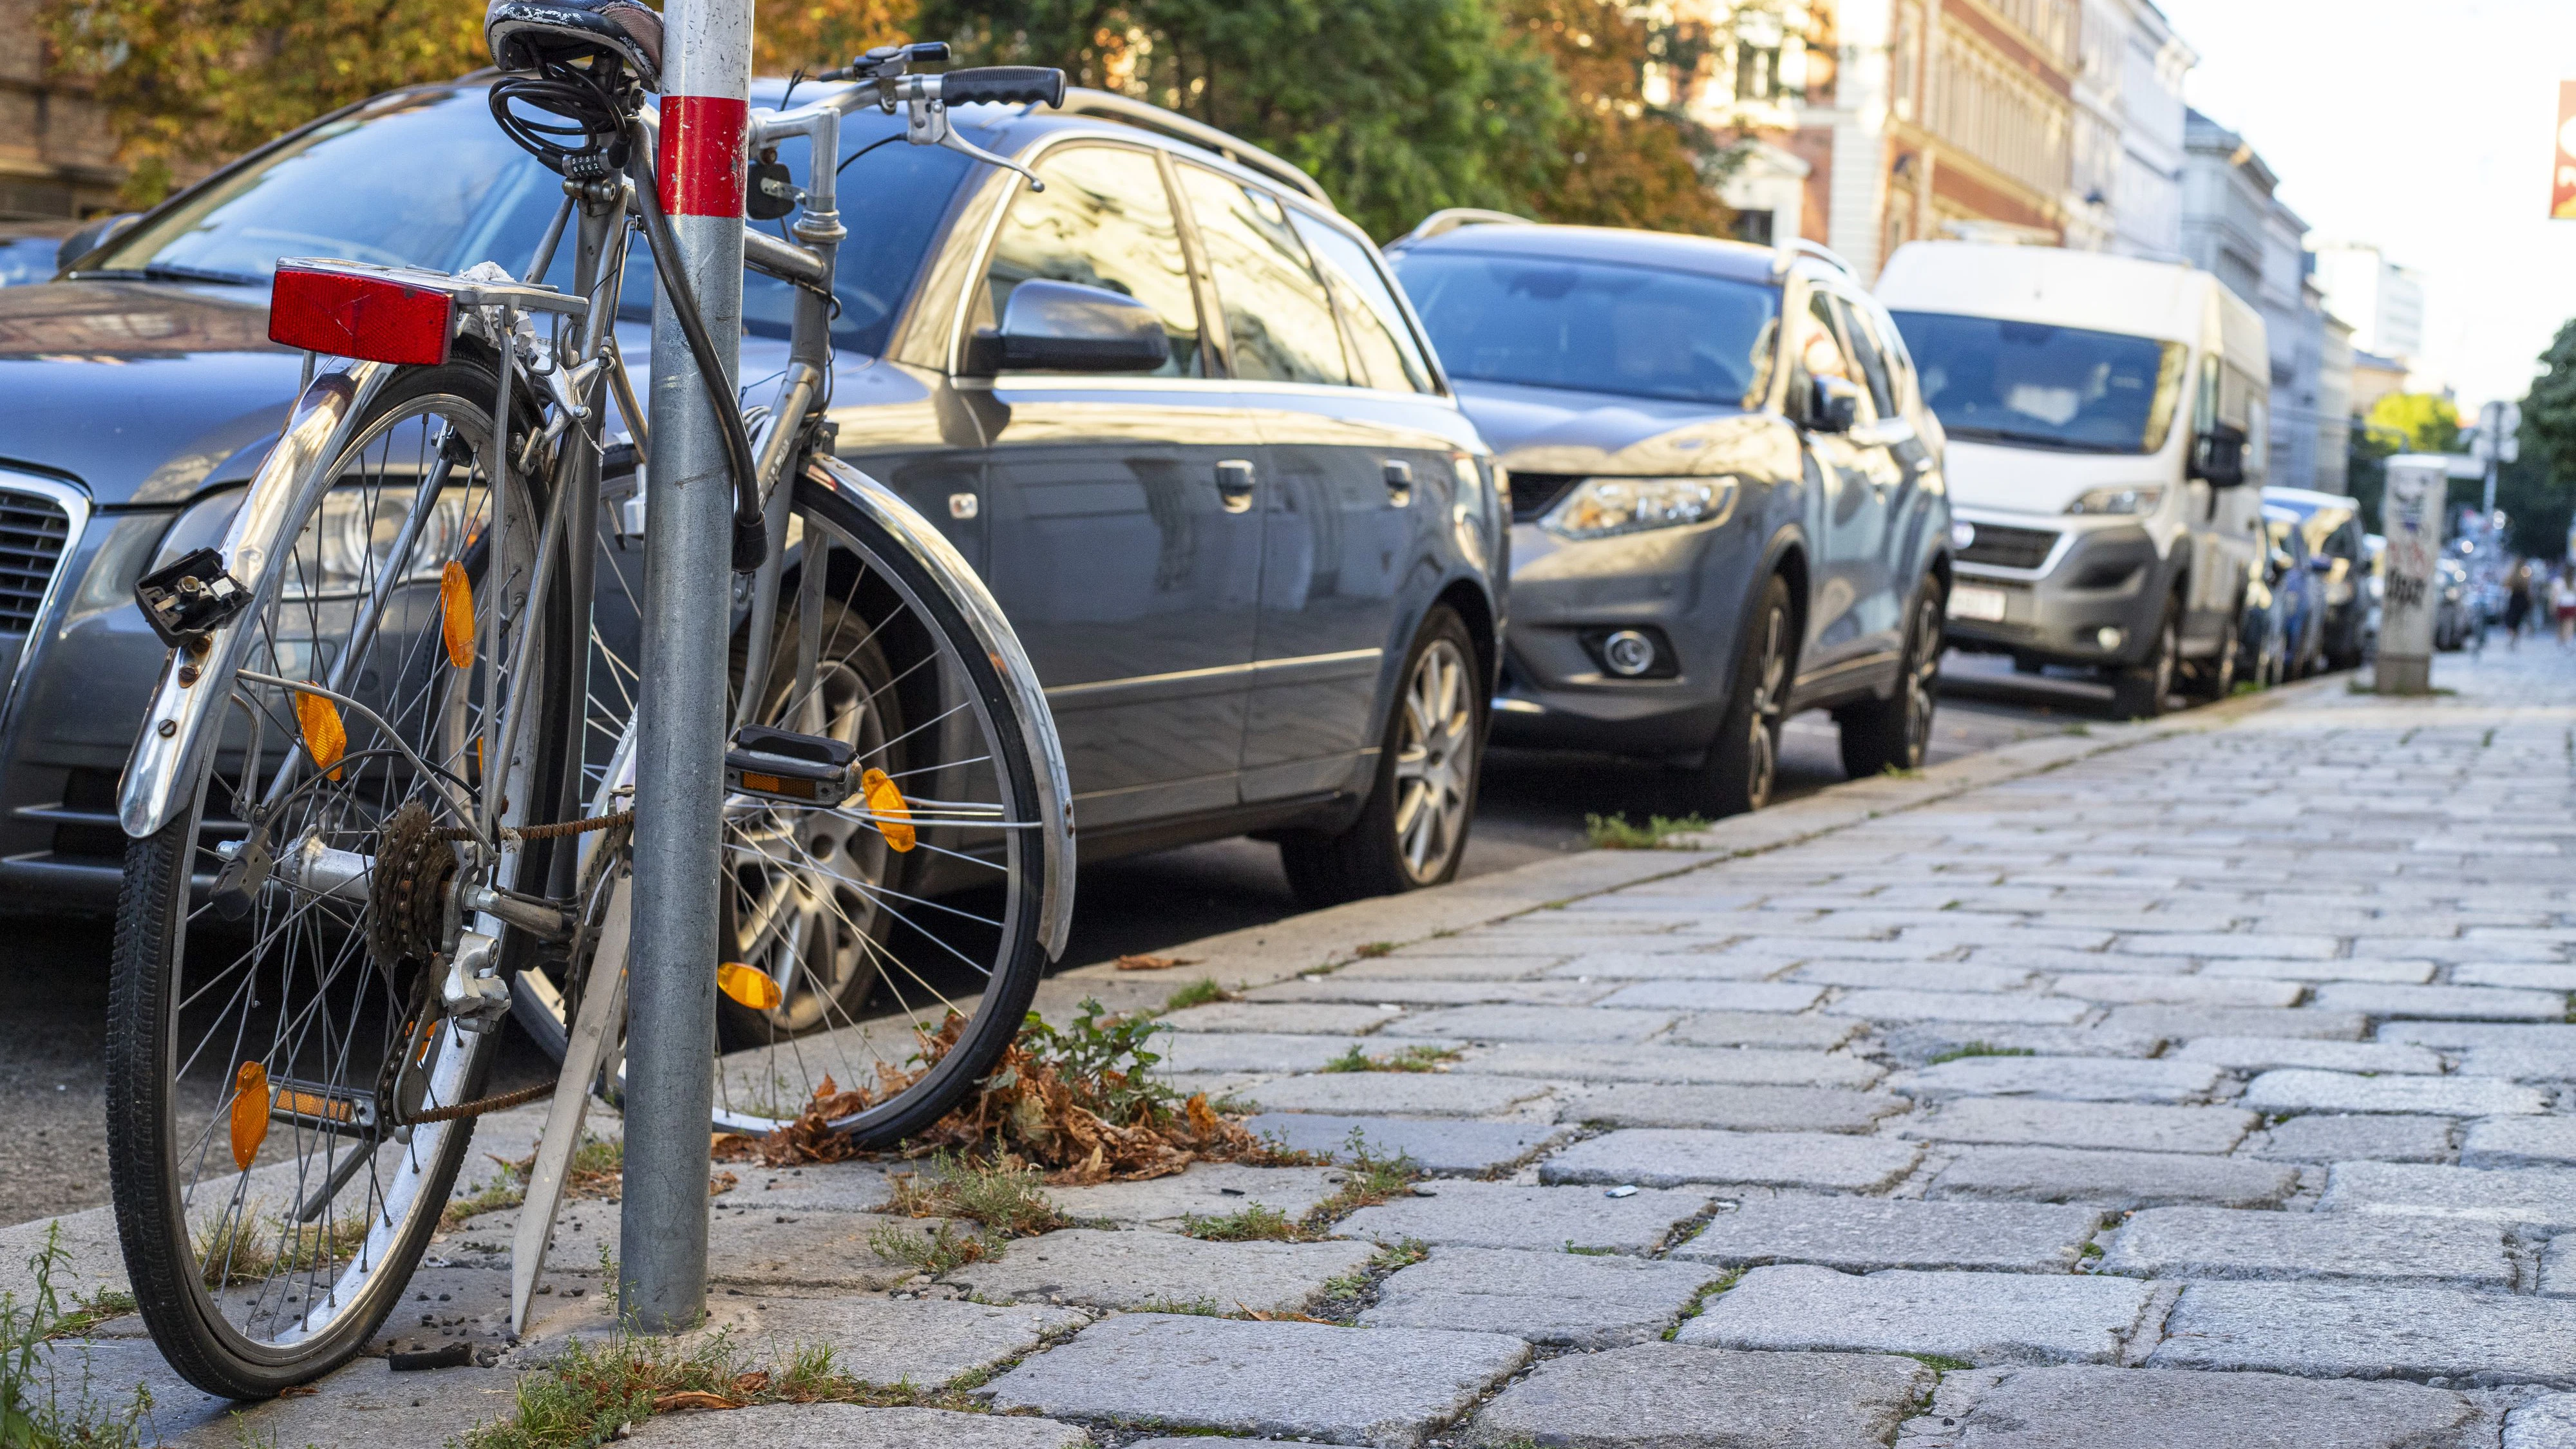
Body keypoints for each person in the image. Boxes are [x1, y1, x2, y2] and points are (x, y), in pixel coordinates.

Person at [2504, 560, 2533, 647]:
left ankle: (2512, 638)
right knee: (2518, 621)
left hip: (2514, 599)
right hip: (2522, 599)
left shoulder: (2512, 574)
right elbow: (2528, 588)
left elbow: (2506, 585)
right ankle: (2515, 638)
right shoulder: (2525, 574)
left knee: (2512, 620)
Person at [2554, 564, 2576, 649]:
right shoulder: (2574, 582)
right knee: (2570, 625)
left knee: (2561, 625)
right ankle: (2568, 641)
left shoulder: (2559, 582)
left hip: (2562, 605)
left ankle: (2561, 641)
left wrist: (2553, 606)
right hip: (2571, 605)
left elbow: (2555, 596)